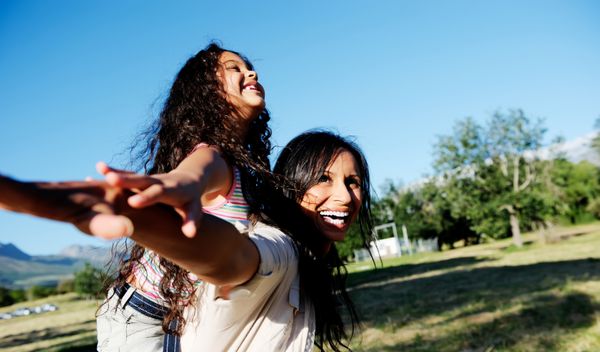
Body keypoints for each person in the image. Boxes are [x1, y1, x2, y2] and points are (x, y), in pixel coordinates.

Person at [92, 42, 278, 352]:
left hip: (182, 321)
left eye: (248, 67)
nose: (251, 72)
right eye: (234, 68)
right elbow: (191, 175)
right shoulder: (212, 156)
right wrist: (170, 187)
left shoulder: (243, 166)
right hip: (139, 319)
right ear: (207, 92)